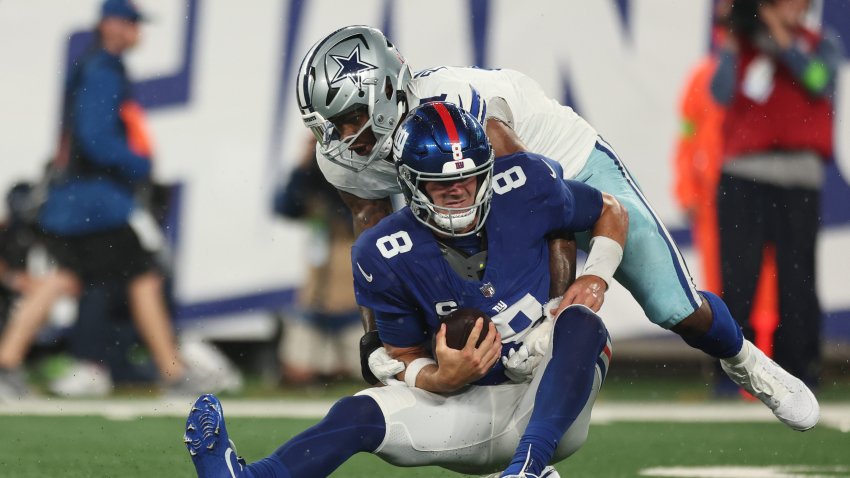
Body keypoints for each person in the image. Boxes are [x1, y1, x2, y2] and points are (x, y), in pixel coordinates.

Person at [295, 25, 819, 431]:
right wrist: (377, 337)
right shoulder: (343, 159)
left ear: (387, 92)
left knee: (674, 306)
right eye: (329, 123)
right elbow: (377, 238)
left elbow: (537, 204)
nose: (340, 137)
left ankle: (745, 360)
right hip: (473, 196)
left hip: (563, 165)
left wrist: (551, 309)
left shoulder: (461, 107)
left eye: (349, 118)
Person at [186, 101, 622, 478]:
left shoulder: (525, 182)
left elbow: (610, 210)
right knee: (358, 410)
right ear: (410, 182)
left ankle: (528, 467)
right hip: (466, 409)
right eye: (439, 181)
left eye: (467, 177)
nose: (457, 191)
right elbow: (403, 356)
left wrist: (595, 275)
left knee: (581, 323)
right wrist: (443, 376)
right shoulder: (382, 251)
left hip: (552, 402)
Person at [1, 0, 201, 397]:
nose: (136, 33)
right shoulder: (104, 69)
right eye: (130, 24)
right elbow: (95, 138)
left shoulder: (93, 65)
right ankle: (174, 375)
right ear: (110, 25)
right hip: (96, 204)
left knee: (61, 278)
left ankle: (6, 365)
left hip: (73, 203)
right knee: (143, 275)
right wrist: (137, 164)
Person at [710, 0, 842, 388]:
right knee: (738, 277)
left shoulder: (822, 43)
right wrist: (733, 44)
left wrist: (783, 42)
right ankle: (731, 373)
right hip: (742, 176)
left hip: (798, 179)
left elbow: (821, 82)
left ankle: (799, 372)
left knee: (797, 278)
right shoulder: (743, 46)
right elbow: (719, 94)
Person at [671, 0, 780, 397]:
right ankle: (732, 373)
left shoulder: (763, 69)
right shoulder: (703, 77)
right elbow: (686, 138)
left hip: (754, 189)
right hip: (715, 199)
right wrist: (687, 188)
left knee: (769, 288)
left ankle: (764, 375)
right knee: (724, 287)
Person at [272, 138, 362, 384]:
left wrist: (344, 163)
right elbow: (284, 206)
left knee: (364, 371)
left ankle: (336, 365)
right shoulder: (310, 181)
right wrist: (303, 164)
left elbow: (368, 211)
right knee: (297, 372)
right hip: (315, 303)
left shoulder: (363, 173)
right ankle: (328, 366)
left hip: (354, 307)